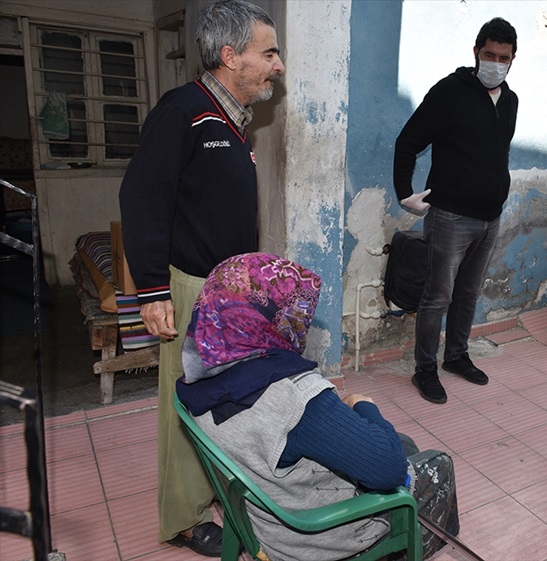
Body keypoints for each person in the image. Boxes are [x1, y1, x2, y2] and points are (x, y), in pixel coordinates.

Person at [118, 0, 285, 555]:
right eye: (269, 53)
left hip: (229, 291)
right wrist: (152, 289)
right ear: (230, 56)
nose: (277, 65)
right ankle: (184, 519)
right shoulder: (183, 110)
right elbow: (143, 197)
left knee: (222, 400)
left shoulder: (234, 125)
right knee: (185, 403)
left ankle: (218, 487)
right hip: (191, 290)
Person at [176, 252, 460, 561]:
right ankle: (402, 552)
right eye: (292, 312)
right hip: (320, 538)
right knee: (437, 464)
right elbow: (390, 470)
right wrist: (364, 406)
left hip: (269, 516)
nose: (297, 321)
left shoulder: (198, 377)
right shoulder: (296, 397)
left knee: (402, 444)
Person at [393, 17, 518, 404]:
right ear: (476, 52)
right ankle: (424, 370)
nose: (495, 62)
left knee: (468, 294)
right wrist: (404, 193)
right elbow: (407, 142)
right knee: (437, 296)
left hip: (490, 218)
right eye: (489, 54)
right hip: (449, 216)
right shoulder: (449, 92)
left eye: (504, 57)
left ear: (513, 59)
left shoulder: (510, 100)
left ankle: (457, 357)